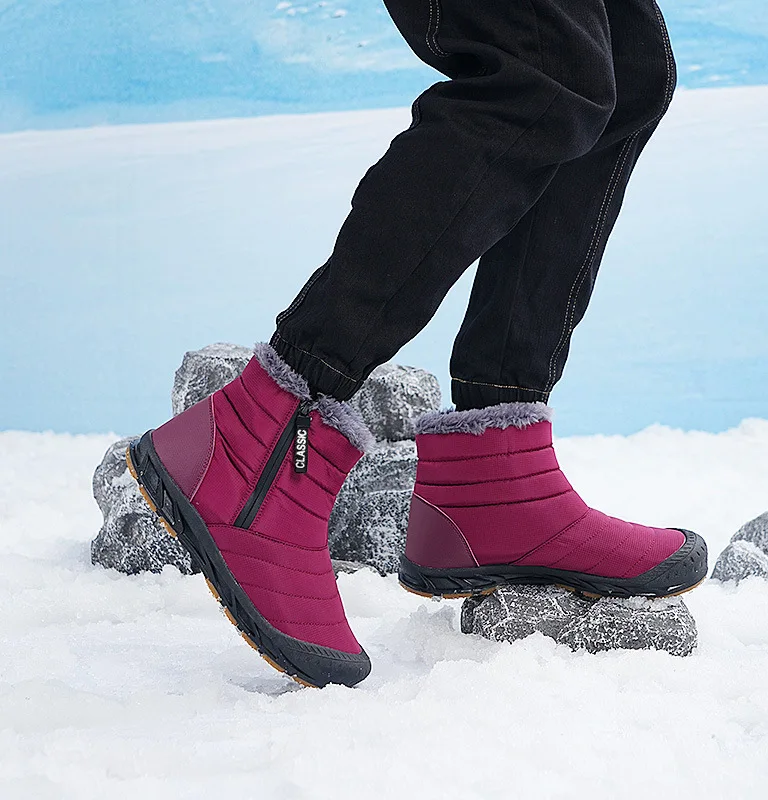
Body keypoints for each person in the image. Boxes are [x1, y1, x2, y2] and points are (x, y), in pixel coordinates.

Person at [126, 0, 707, 688]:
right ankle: (269, 427)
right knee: (544, 72)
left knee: (627, 74)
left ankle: (497, 478)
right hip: (263, 441)